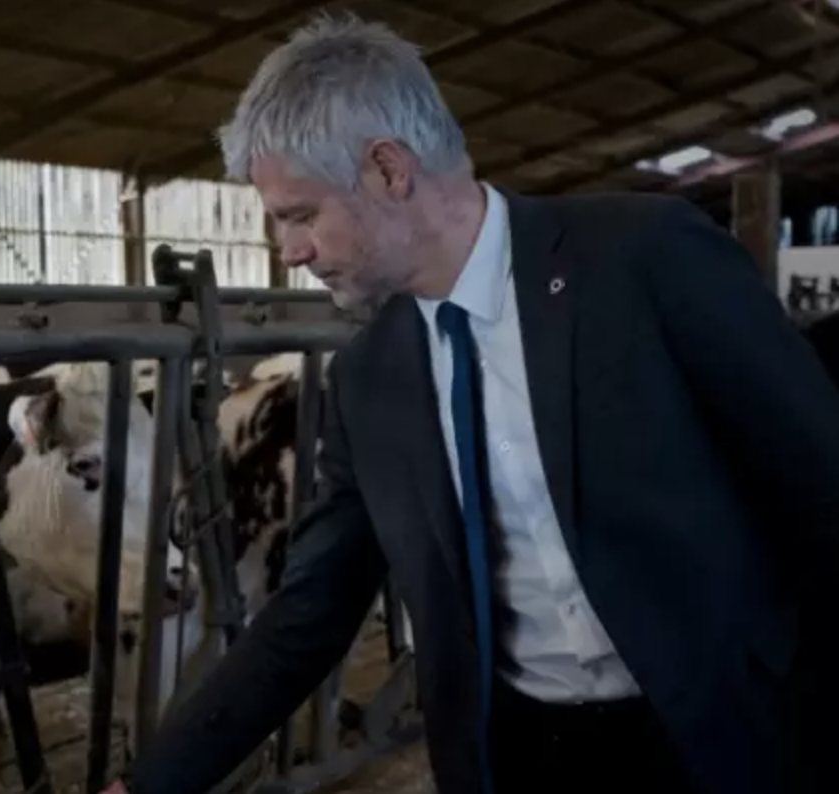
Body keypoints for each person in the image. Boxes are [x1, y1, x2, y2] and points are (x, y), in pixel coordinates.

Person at [101, 12, 839, 794]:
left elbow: (821, 483)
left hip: (722, 744)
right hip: (520, 759)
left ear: (389, 170)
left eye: (300, 214)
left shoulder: (646, 259)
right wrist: (152, 784)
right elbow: (305, 613)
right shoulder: (369, 378)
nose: (290, 250)